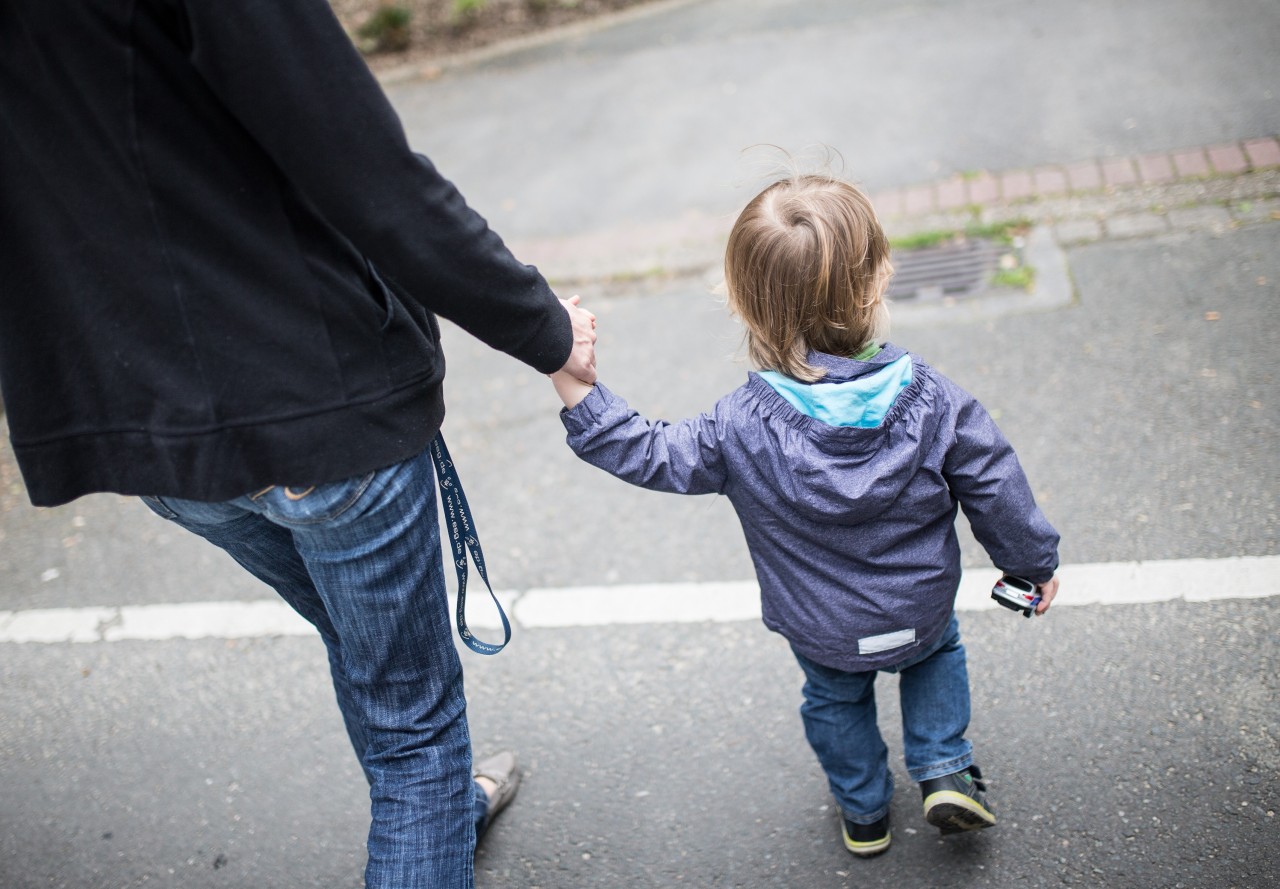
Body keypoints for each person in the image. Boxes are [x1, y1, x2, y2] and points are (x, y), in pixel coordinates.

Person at [0, 1, 595, 887]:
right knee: (414, 734)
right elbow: (370, 172)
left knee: (371, 659)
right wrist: (545, 328)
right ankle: (430, 813)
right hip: (317, 400)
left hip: (154, 433)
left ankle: (437, 814)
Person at [550, 173, 1060, 857]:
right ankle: (943, 765)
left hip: (821, 627)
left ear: (743, 303)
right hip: (921, 606)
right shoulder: (937, 400)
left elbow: (649, 451)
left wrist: (570, 377)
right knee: (938, 657)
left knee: (835, 701)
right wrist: (1031, 566)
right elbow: (998, 486)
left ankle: (865, 812)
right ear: (879, 281)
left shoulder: (737, 425)